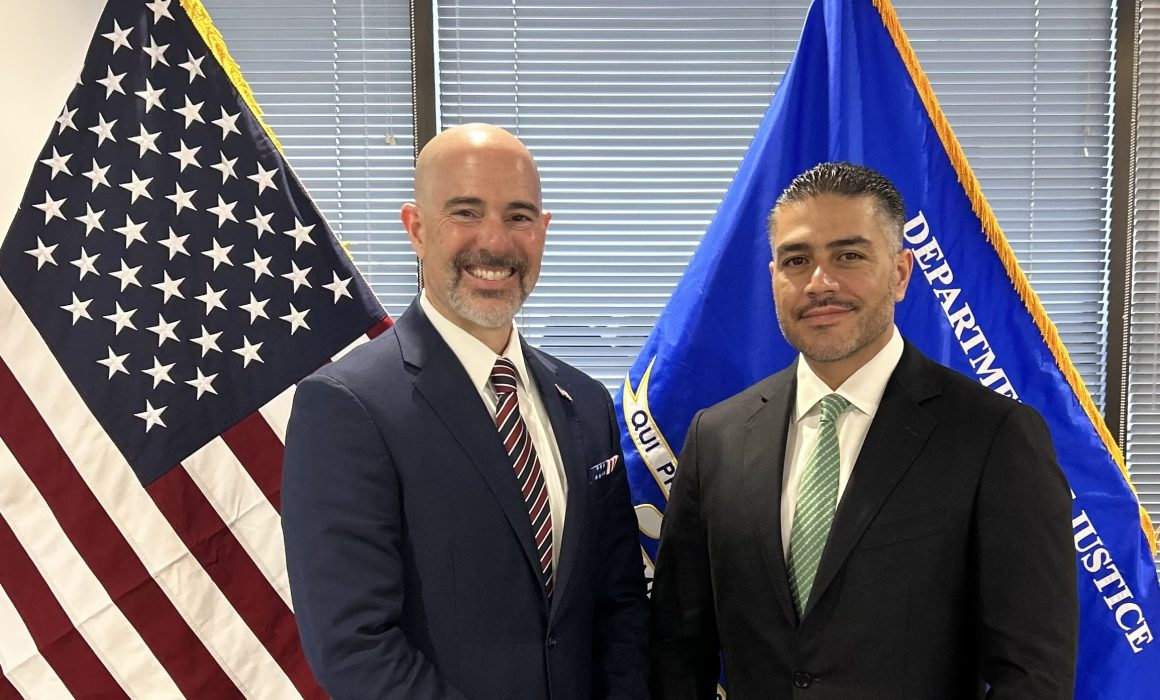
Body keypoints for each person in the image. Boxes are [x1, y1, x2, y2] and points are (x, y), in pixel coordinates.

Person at [648, 162, 1077, 699]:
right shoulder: (716, 437)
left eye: (848, 256)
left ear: (900, 273)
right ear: (774, 277)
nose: (820, 283)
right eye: (797, 260)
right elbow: (677, 648)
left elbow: (1033, 673)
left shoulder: (994, 437)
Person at [282, 123, 649, 699]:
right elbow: (354, 646)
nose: (495, 242)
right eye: (465, 212)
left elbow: (619, 601)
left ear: (543, 231)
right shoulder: (347, 406)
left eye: (518, 216)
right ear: (416, 228)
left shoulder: (585, 401)